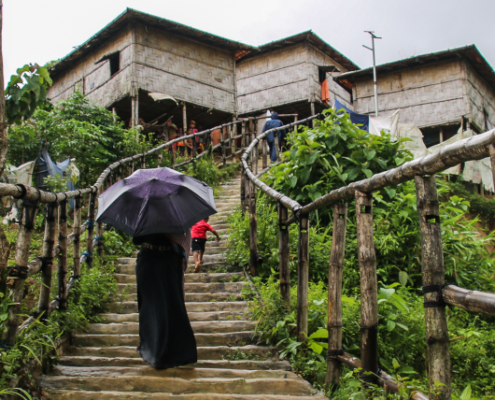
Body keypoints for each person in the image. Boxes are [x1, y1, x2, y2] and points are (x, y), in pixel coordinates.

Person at [132, 231, 197, 369]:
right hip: (165, 261)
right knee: (166, 307)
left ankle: (157, 352)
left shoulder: (145, 215)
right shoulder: (175, 215)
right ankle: (166, 352)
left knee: (158, 309)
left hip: (155, 261)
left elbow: (136, 240)